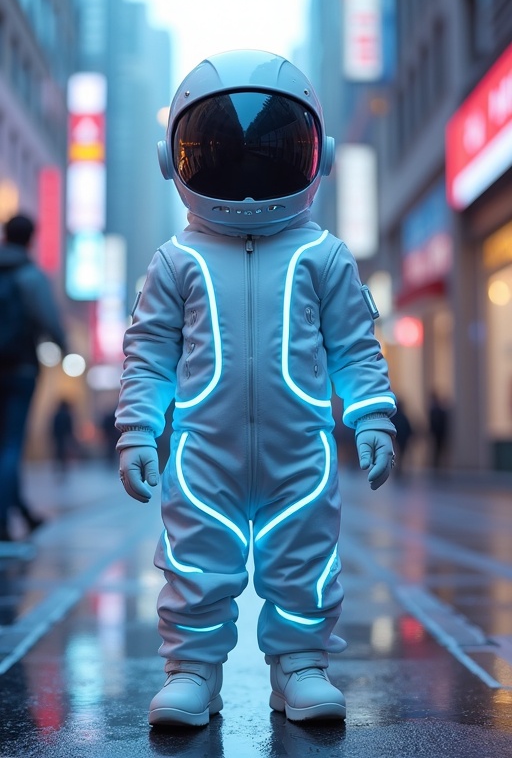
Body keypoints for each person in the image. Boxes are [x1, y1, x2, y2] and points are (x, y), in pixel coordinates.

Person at [115, 50, 397, 728]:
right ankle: (192, 671)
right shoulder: (176, 261)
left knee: (305, 555)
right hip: (203, 454)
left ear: (317, 153)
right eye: (222, 145)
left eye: (267, 144)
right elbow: (149, 352)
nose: (245, 164)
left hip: (298, 453)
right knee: (194, 559)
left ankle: (301, 664)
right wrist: (137, 428)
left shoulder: (322, 255)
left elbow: (354, 347)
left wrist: (373, 417)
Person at [0, 214, 67, 540]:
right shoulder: (30, 276)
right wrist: (63, 348)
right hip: (21, 369)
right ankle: (4, 521)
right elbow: (50, 322)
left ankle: (21, 512)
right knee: (11, 444)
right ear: (31, 238)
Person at [391, 399, 414, 477]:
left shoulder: (395, 417)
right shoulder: (402, 416)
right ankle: (398, 468)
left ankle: (398, 468)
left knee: (398, 454)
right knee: (400, 454)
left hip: (398, 438)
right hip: (402, 438)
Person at [428, 390, 450, 470]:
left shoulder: (437, 410)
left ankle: (439, 465)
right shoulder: (435, 410)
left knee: (439, 450)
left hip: (439, 433)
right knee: (437, 450)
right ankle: (437, 465)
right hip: (438, 433)